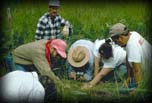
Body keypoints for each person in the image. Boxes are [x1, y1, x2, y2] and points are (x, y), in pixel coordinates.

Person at [109, 23, 152, 89]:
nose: (116, 44)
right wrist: (128, 77)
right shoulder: (133, 34)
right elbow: (127, 55)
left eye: (115, 41)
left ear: (120, 37)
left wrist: (137, 89)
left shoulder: (132, 45)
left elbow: (136, 70)